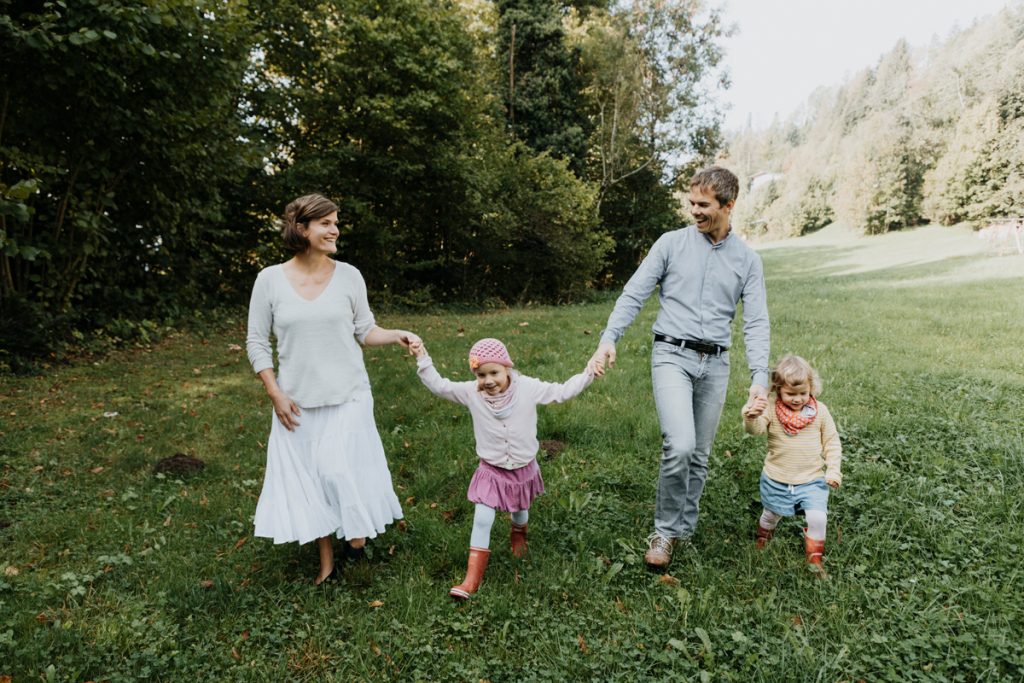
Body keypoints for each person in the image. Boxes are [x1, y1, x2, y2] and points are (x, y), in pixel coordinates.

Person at [588, 166, 770, 570]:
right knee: (681, 444)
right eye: (692, 203)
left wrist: (760, 378)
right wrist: (608, 339)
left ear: (729, 205)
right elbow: (634, 293)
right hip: (672, 355)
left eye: (703, 205)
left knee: (700, 455)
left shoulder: (747, 261)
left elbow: (756, 321)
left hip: (717, 363)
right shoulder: (670, 245)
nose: (694, 211)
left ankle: (682, 528)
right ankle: (665, 532)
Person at [246, 193, 419, 585]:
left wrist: (396, 335)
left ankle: (355, 542)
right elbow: (257, 342)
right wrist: (274, 391)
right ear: (302, 229)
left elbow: (365, 330)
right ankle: (327, 556)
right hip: (297, 401)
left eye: (336, 221)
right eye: (326, 223)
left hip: (349, 394)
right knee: (313, 478)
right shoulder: (269, 280)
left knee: (341, 471)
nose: (335, 229)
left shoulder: (349, 275)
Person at [409, 337, 594, 599]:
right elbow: (440, 386)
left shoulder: (527, 388)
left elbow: (561, 391)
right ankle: (471, 580)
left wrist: (589, 373)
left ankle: (519, 533)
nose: (488, 380)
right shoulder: (472, 393)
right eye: (481, 374)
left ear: (507, 368)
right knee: (483, 517)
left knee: (520, 509)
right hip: (491, 469)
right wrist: (422, 357)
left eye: (494, 372)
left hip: (522, 466)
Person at [741, 354, 842, 573]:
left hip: (812, 479)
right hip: (777, 478)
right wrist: (751, 417)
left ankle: (814, 561)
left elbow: (832, 442)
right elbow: (756, 430)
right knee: (771, 514)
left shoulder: (820, 412)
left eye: (803, 393)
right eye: (790, 394)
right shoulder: (770, 409)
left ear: (811, 388)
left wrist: (833, 469)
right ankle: (763, 538)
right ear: (778, 389)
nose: (797, 399)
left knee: (818, 517)